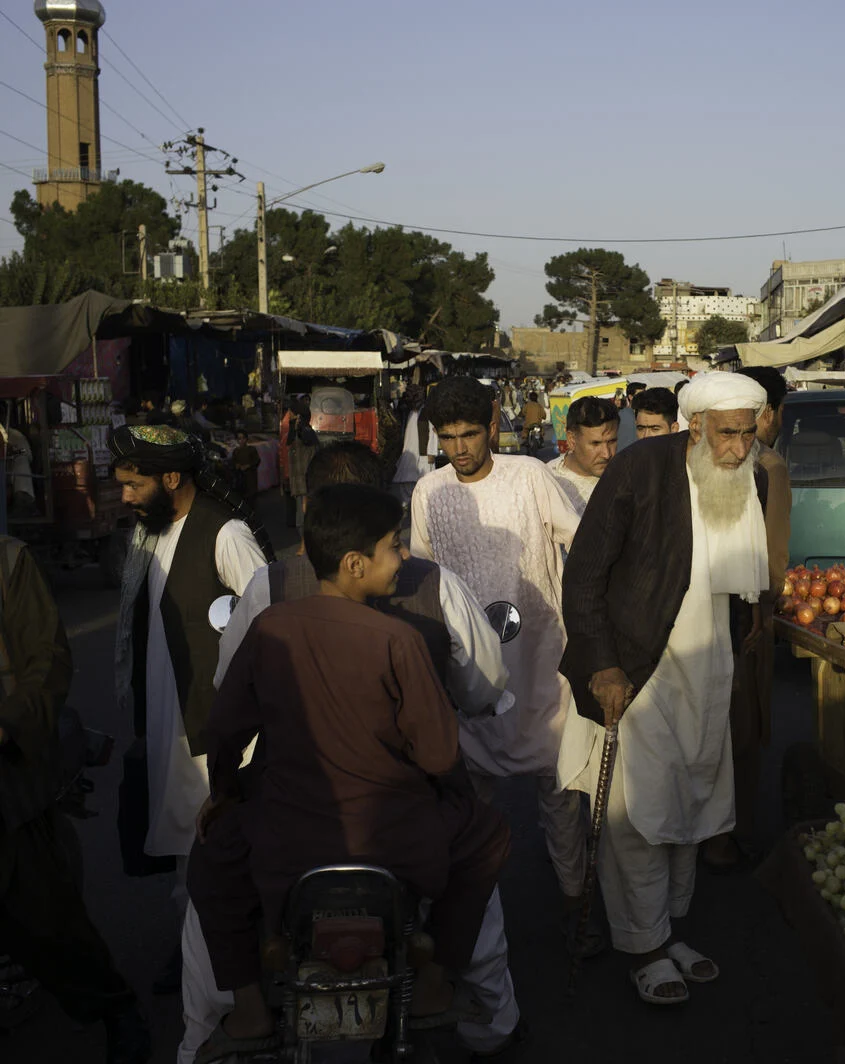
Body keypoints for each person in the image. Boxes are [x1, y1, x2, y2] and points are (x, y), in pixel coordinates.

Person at [179, 442, 521, 1063]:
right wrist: (449, 792)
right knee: (488, 839)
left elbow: (224, 723)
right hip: (395, 832)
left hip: (284, 830)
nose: (406, 556)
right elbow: (441, 745)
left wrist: (226, 793)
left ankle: (247, 1009)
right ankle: (443, 985)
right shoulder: (402, 631)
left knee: (208, 866)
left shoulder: (268, 613)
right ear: (358, 559)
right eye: (396, 545)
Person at [557, 371, 770, 1005]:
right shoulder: (640, 470)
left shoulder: (746, 476)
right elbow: (584, 576)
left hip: (707, 673)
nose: (738, 447)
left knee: (689, 803)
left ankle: (664, 928)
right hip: (637, 669)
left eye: (747, 433)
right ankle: (641, 945)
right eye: (727, 433)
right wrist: (603, 665)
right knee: (638, 815)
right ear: (696, 426)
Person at [409, 378, 594, 955]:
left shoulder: (530, 476)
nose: (459, 449)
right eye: (448, 438)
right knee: (468, 805)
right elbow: (421, 575)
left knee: (560, 792)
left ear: (492, 427)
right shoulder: (429, 492)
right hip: (467, 671)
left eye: (469, 434)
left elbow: (582, 543)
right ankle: (467, 926)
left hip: (542, 657)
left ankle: (576, 909)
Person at [110, 424, 270, 993]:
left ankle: (222, 982)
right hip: (167, 717)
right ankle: (202, 962)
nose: (124, 496)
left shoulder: (224, 534)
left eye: (134, 485)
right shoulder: (149, 536)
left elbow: (266, 622)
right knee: (187, 851)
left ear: (171, 479)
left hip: (209, 723)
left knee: (211, 852)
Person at [0, 536, 151, 1063]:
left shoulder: (9, 561)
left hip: (8, 781)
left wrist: (10, 724)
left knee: (48, 923)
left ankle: (116, 1010)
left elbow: (46, 660)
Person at [702, 366, 792, 871]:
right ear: (768, 413)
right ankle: (722, 839)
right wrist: (767, 605)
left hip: (701, 613)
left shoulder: (694, 462)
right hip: (745, 616)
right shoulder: (769, 465)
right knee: (742, 727)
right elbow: (772, 554)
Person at [548, 396, 618, 514]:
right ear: (572, 440)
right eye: (595, 443)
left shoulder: (625, 480)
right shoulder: (548, 482)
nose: (606, 454)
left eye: (612, 441)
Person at [286, 399, 319, 531]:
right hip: (299, 482)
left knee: (304, 514)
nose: (289, 415)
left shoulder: (306, 432)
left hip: (305, 481)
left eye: (291, 413)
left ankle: (305, 544)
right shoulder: (296, 431)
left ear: (298, 416)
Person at [229, 432, 259, 502]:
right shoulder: (236, 451)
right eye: (239, 439)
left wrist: (248, 465)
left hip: (250, 477)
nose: (241, 440)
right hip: (240, 478)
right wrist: (236, 465)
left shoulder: (252, 449)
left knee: (251, 499)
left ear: (246, 439)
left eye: (243, 438)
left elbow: (257, 461)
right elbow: (233, 462)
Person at [617, 381, 646, 451]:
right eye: (641, 395)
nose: (644, 398)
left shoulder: (645, 416)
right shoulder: (619, 416)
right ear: (630, 397)